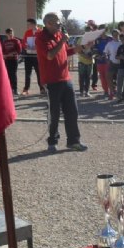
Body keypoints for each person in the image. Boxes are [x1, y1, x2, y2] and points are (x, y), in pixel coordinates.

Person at [35, 12, 87, 152]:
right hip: (51, 80)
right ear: (48, 23)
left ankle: (73, 141)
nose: (60, 25)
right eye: (57, 22)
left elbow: (66, 52)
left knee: (72, 111)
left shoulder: (59, 35)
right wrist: (62, 41)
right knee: (54, 113)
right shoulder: (41, 37)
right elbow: (50, 55)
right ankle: (52, 142)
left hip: (65, 79)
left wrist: (82, 47)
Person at [21, 18, 43, 95]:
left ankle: (42, 88)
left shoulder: (40, 32)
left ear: (34, 24)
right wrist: (26, 46)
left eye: (29, 24)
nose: (28, 26)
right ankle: (26, 89)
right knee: (27, 73)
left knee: (39, 73)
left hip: (37, 56)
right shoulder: (27, 32)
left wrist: (37, 47)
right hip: (28, 55)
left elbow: (43, 43)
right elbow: (23, 42)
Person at [1, 27, 22, 95]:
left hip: (13, 60)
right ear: (6, 34)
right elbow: (2, 51)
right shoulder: (5, 42)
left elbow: (19, 50)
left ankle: (15, 89)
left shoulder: (16, 41)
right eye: (8, 33)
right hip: (7, 60)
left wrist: (12, 54)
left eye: (11, 33)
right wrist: (4, 55)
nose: (10, 35)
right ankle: (9, 89)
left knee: (13, 74)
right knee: (8, 74)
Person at [103, 30, 121, 100]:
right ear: (112, 35)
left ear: (119, 34)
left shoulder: (122, 42)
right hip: (112, 63)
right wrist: (107, 60)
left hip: (121, 64)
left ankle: (119, 93)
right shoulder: (110, 43)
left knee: (120, 79)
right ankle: (112, 92)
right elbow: (105, 52)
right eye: (114, 35)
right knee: (108, 77)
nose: (115, 36)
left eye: (116, 34)